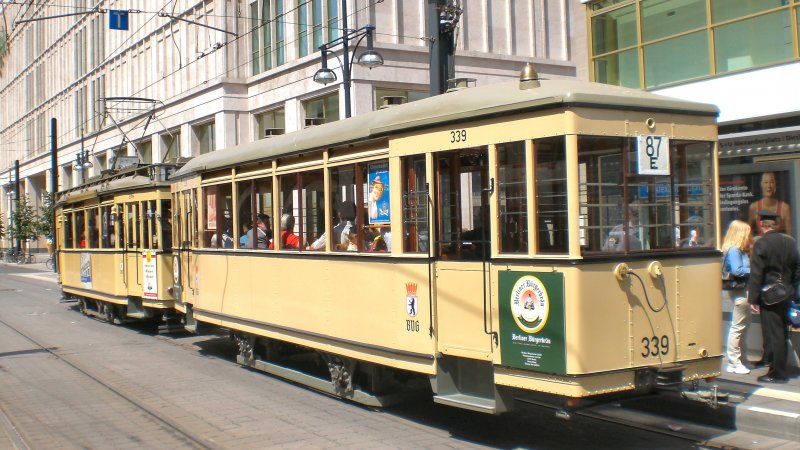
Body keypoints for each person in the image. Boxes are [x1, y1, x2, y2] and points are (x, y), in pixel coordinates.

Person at [746, 210, 800, 383]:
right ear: (775, 224)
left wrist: (753, 298)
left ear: (761, 224)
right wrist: (790, 285)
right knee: (781, 331)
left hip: (769, 296)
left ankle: (777, 373)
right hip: (787, 293)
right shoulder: (790, 242)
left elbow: (756, 274)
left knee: (773, 333)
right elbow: (798, 268)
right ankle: (771, 361)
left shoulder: (761, 244)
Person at [721, 220, 752, 375]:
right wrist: (753, 268)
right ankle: (734, 362)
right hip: (740, 291)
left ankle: (740, 360)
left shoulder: (737, 250)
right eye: (747, 233)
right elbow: (738, 271)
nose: (749, 237)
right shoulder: (735, 250)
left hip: (740, 291)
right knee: (738, 326)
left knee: (742, 325)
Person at [748, 172, 792, 236]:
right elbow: (748, 232)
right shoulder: (754, 207)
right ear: (761, 184)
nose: (769, 186)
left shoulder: (784, 208)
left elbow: (790, 236)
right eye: (766, 182)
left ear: (775, 185)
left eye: (771, 182)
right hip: (761, 245)